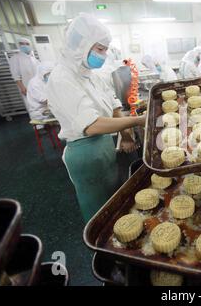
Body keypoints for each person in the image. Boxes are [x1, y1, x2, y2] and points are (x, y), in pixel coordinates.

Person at [46, 13, 145, 222]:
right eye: (100, 49)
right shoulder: (62, 78)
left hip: (104, 145)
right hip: (85, 154)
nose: (103, 55)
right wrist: (137, 121)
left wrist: (126, 134)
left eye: (105, 50)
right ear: (81, 46)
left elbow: (114, 105)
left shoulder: (92, 74)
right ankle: (100, 251)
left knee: (115, 203)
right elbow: (91, 125)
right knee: (98, 213)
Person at [9, 37, 40, 113]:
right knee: (32, 106)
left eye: (27, 44)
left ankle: (46, 123)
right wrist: (22, 87)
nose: (24, 46)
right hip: (26, 86)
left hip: (38, 85)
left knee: (41, 104)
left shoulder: (33, 58)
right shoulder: (15, 58)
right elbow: (15, 75)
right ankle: (37, 123)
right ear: (18, 45)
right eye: (22, 44)